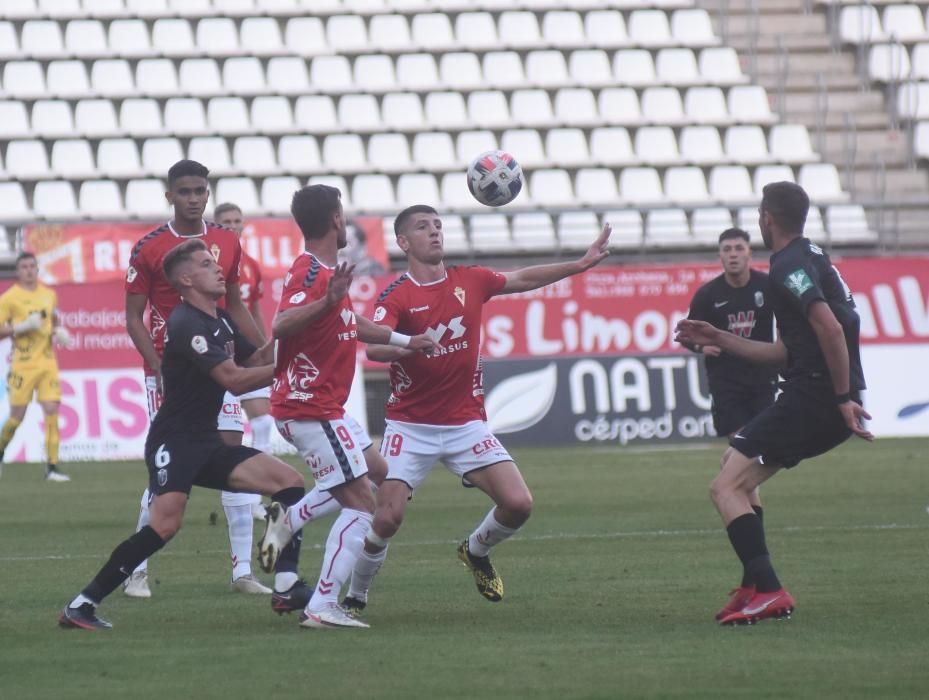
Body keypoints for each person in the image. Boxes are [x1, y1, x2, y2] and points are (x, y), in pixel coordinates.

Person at [325, 204, 611, 618]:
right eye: (423, 228)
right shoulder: (397, 294)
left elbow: (523, 278)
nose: (435, 233)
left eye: (438, 226)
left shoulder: (470, 280)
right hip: (411, 426)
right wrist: (410, 342)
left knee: (519, 504)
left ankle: (475, 551)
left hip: (465, 424)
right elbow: (373, 347)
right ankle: (357, 595)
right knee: (387, 518)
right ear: (403, 243)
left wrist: (579, 265)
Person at [58, 239, 307, 630]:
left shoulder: (220, 319)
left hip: (206, 440)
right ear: (187, 279)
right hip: (173, 442)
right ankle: (82, 604)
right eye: (208, 264)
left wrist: (297, 330)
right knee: (165, 525)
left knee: (289, 483)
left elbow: (257, 358)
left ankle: (287, 582)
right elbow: (235, 380)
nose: (218, 268)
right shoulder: (186, 322)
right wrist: (287, 366)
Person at [674, 181, 872, 626]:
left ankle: (770, 589)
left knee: (724, 487)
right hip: (816, 394)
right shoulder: (811, 257)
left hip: (816, 397)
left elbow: (832, 330)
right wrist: (719, 337)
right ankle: (752, 586)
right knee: (734, 468)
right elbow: (787, 350)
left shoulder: (789, 268)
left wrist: (841, 398)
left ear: (766, 218)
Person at [255, 185, 437, 629]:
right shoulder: (310, 272)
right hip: (310, 408)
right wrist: (328, 298)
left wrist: (406, 340)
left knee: (380, 472)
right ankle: (323, 604)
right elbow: (280, 323)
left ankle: (289, 521)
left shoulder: (326, 272)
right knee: (362, 505)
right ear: (336, 219)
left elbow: (348, 322)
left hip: (327, 409)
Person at [123, 160, 270, 598]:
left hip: (219, 367)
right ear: (170, 195)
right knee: (167, 467)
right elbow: (134, 318)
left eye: (200, 190)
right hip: (175, 374)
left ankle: (242, 571)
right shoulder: (149, 247)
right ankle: (137, 571)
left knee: (234, 455)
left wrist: (263, 351)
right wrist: (157, 368)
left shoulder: (226, 241)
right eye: (184, 191)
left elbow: (236, 303)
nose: (193, 198)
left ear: (208, 193)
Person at [682, 228, 777, 560]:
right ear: (720, 255)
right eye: (727, 249)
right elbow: (686, 336)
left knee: (740, 464)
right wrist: (701, 345)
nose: (733, 253)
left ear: (750, 253)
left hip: (765, 383)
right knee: (743, 460)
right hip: (728, 387)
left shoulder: (768, 288)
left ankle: (751, 539)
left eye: (739, 248)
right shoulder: (709, 295)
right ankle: (754, 543)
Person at [213, 202, 275, 518]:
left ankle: (254, 499)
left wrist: (265, 349)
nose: (233, 226)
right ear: (215, 225)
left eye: (238, 221)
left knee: (263, 421)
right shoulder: (206, 261)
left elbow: (253, 311)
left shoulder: (251, 265)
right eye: (226, 222)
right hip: (218, 357)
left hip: (247, 353)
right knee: (226, 436)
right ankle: (236, 494)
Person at [0, 252, 71, 482]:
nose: (29, 270)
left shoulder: (49, 294)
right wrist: (20, 328)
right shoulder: (9, 298)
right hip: (23, 364)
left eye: (32, 266)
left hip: (47, 362)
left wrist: (58, 331)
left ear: (37, 269)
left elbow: (53, 319)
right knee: (16, 417)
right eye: (24, 267)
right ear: (18, 271)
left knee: (51, 409)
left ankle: (52, 467)